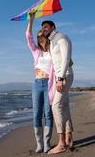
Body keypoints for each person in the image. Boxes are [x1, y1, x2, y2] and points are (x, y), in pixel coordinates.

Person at [41, 20, 74, 155]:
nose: (44, 29)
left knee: (56, 106)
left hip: (64, 76)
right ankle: (69, 138)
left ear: (53, 27)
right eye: (42, 28)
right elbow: (67, 60)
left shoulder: (61, 38)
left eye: (46, 27)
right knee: (64, 106)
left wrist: (60, 78)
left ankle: (61, 144)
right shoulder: (53, 41)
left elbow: (66, 59)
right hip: (60, 77)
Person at [25, 12, 55, 153]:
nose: (40, 37)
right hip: (37, 84)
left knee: (48, 114)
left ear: (46, 37)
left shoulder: (52, 51)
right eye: (38, 37)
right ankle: (39, 144)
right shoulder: (36, 52)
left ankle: (47, 142)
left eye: (42, 35)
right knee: (36, 114)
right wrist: (31, 20)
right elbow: (28, 36)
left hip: (50, 85)